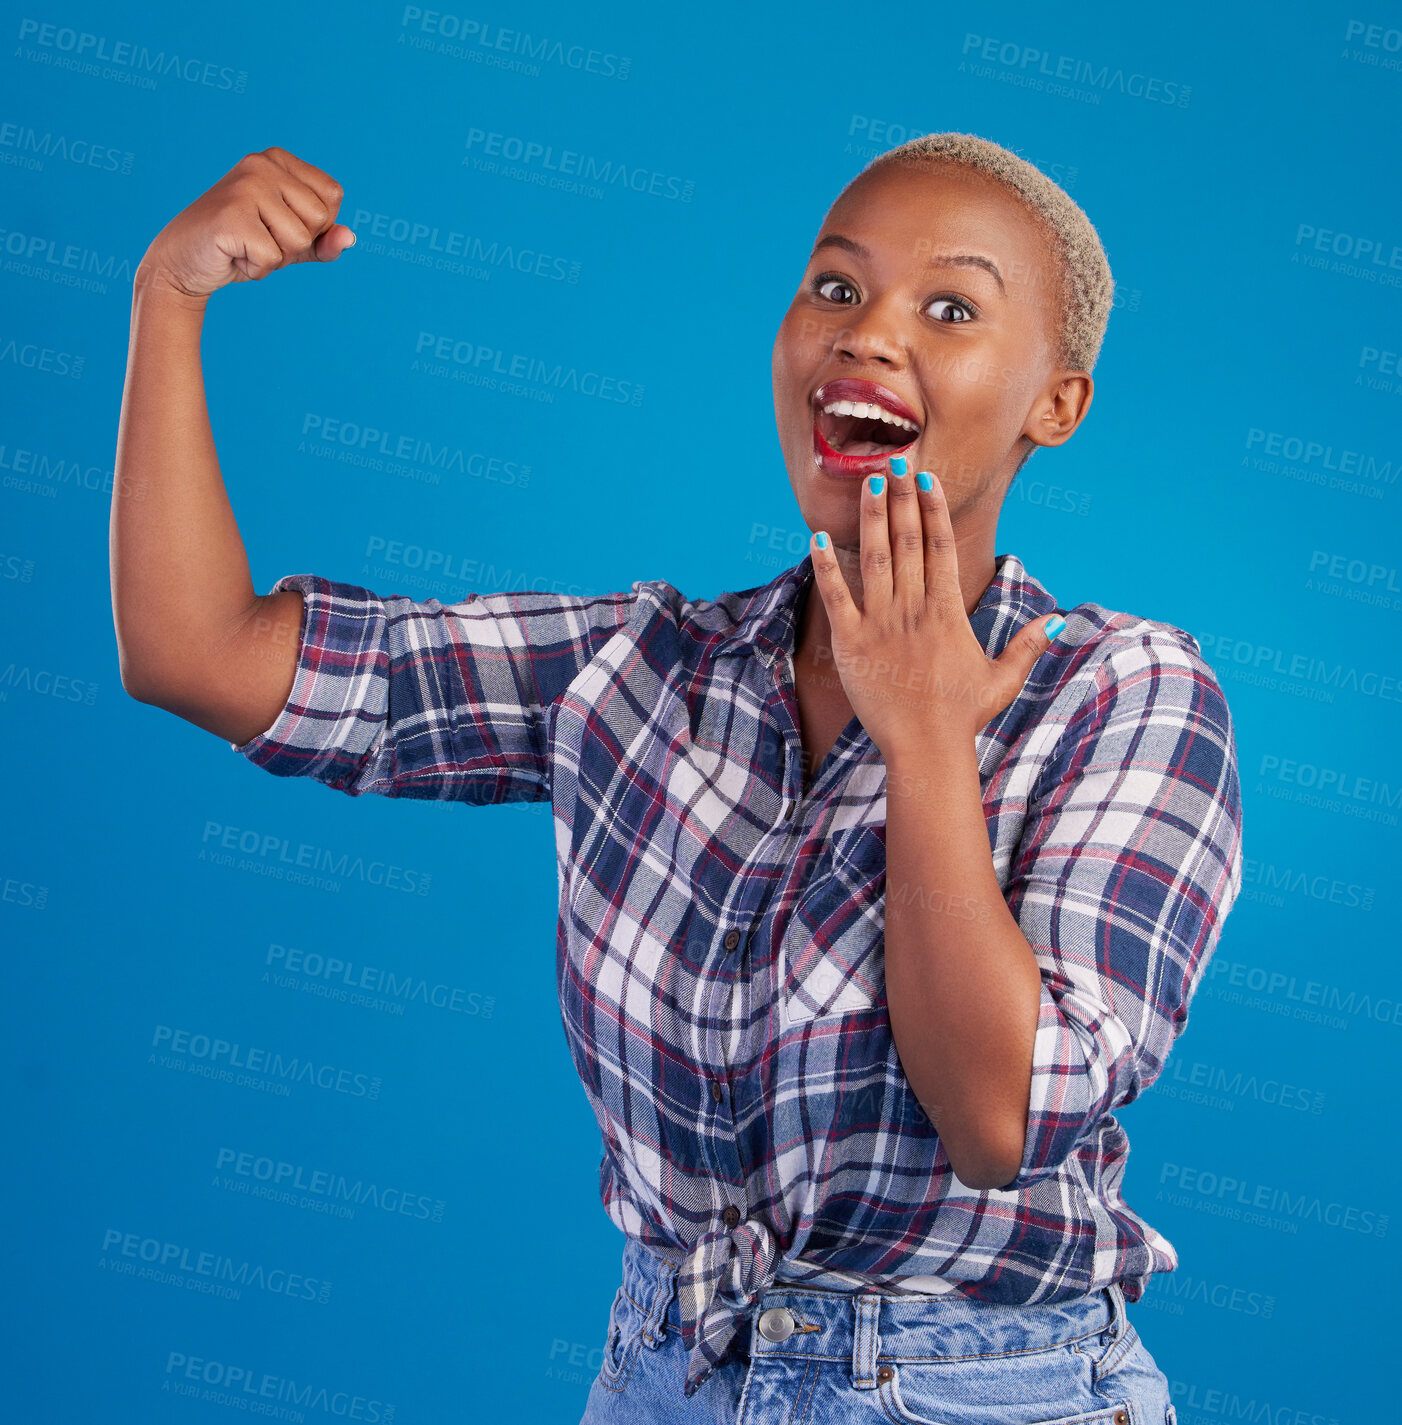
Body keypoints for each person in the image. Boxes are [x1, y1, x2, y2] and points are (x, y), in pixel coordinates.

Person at [111, 132, 1242, 1425]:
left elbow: (994, 1115)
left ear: (1056, 401)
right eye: (834, 286)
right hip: (669, 1375)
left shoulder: (1124, 696)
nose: (867, 333)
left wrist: (926, 740)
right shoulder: (641, 671)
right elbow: (196, 651)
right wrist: (170, 295)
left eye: (948, 306)